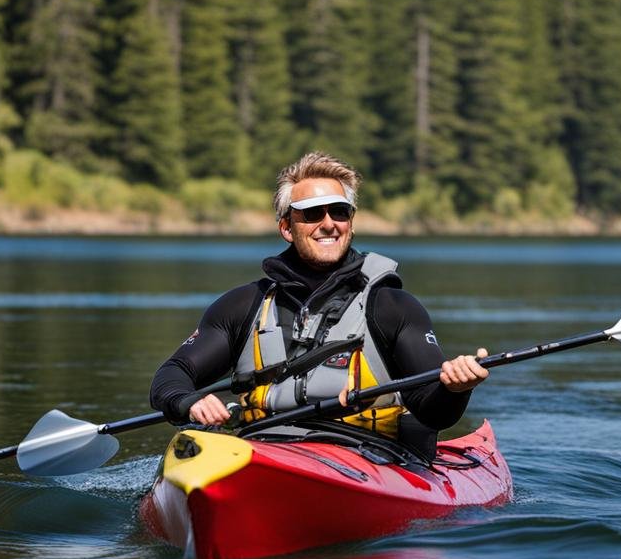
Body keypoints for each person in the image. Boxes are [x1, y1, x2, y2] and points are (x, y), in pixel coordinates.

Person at [149, 151, 489, 457]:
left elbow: (433, 412)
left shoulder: (393, 308)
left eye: (339, 211)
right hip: (262, 451)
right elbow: (171, 376)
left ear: (351, 222)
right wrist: (191, 401)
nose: (328, 223)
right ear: (286, 227)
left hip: (366, 456)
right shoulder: (243, 306)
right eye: (312, 213)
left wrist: (455, 388)